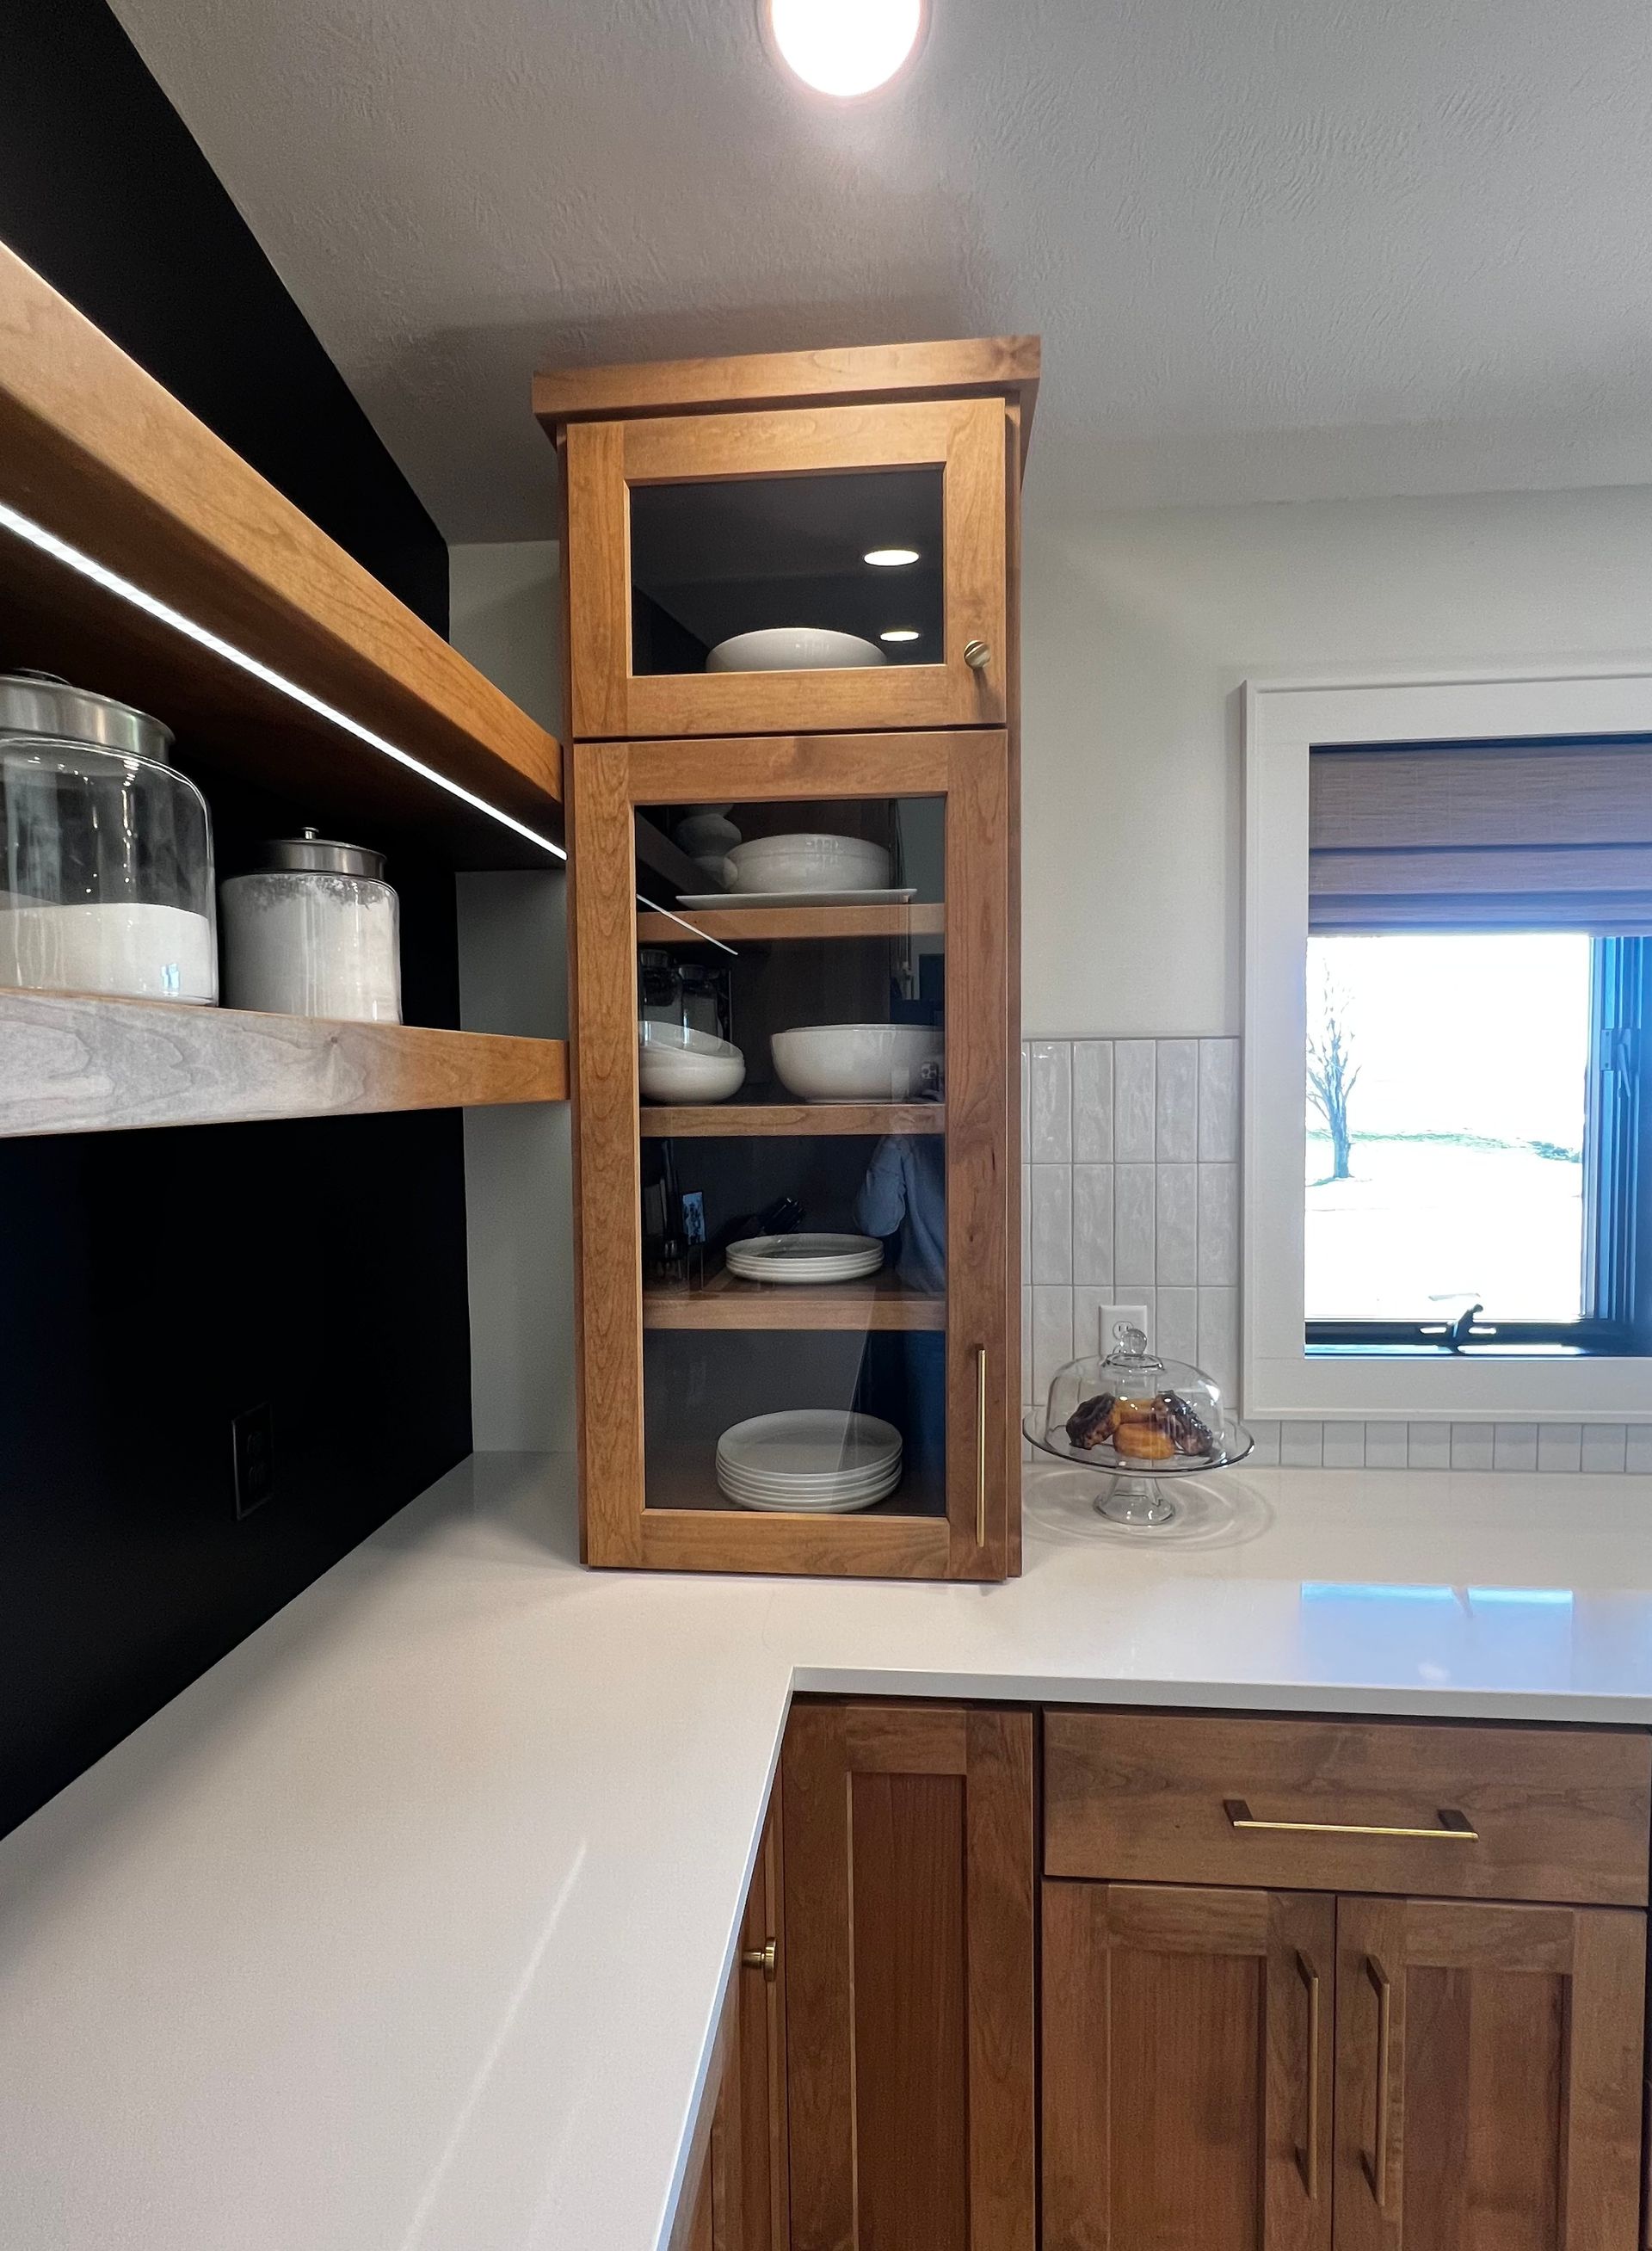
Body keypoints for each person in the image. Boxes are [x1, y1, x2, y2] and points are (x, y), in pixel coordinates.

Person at [854, 1135, 946, 1485]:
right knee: (931, 1453)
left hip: (989, 1308)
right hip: (926, 1314)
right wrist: (895, 1133)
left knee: (993, 1437)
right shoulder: (911, 1139)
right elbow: (875, 1222)